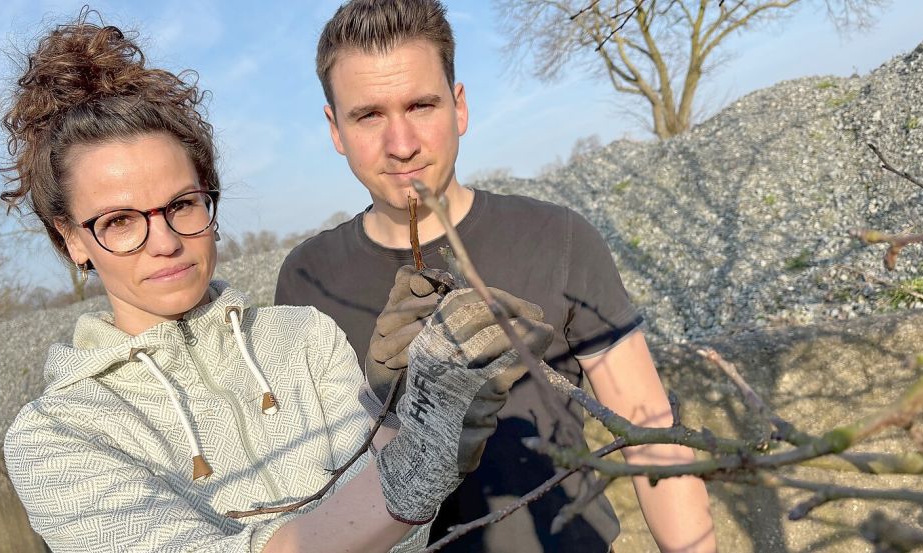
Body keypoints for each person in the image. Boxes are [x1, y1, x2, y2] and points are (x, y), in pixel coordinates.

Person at [0, 12, 552, 553]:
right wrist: (418, 465)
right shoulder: (58, 437)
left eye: (182, 205)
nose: (163, 240)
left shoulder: (303, 339)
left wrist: (399, 414)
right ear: (70, 238)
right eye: (119, 221)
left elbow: (406, 538)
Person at [274, 1, 718, 552]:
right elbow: (312, 488)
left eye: (421, 105)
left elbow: (651, 436)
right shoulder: (305, 280)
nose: (402, 143)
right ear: (334, 128)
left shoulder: (558, 238)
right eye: (368, 115)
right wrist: (387, 406)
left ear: (459, 108)